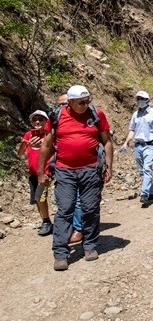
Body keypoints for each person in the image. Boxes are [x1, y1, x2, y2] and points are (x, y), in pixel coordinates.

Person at [38, 85, 113, 271]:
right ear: (70, 102)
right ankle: (60, 253)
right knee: (65, 209)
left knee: (90, 208)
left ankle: (89, 246)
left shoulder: (97, 114)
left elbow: (107, 141)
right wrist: (41, 171)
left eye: (88, 100)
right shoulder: (56, 116)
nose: (85, 104)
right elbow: (47, 145)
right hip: (65, 171)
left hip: (91, 170)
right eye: (81, 102)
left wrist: (109, 166)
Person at [119, 91, 153, 206]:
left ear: (148, 100)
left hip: (150, 145)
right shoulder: (135, 115)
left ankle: (144, 193)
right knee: (142, 171)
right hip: (138, 145)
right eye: (138, 98)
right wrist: (126, 142)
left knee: (147, 169)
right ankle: (152, 191)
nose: (139, 101)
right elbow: (132, 130)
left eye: (142, 98)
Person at [52, 93, 83, 243]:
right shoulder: (56, 120)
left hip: (83, 168)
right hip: (62, 167)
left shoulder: (84, 118)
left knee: (77, 200)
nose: (62, 107)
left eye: (64, 103)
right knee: (65, 202)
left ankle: (78, 229)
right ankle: (69, 227)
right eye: (59, 104)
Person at [18, 110, 53, 236]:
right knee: (37, 199)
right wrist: (24, 143)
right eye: (34, 120)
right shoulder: (28, 135)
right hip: (32, 172)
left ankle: (47, 222)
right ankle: (45, 220)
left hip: (45, 172)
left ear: (46, 121)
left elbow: (54, 151)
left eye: (41, 119)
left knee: (40, 196)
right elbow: (20, 153)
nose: (37, 122)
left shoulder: (49, 135)